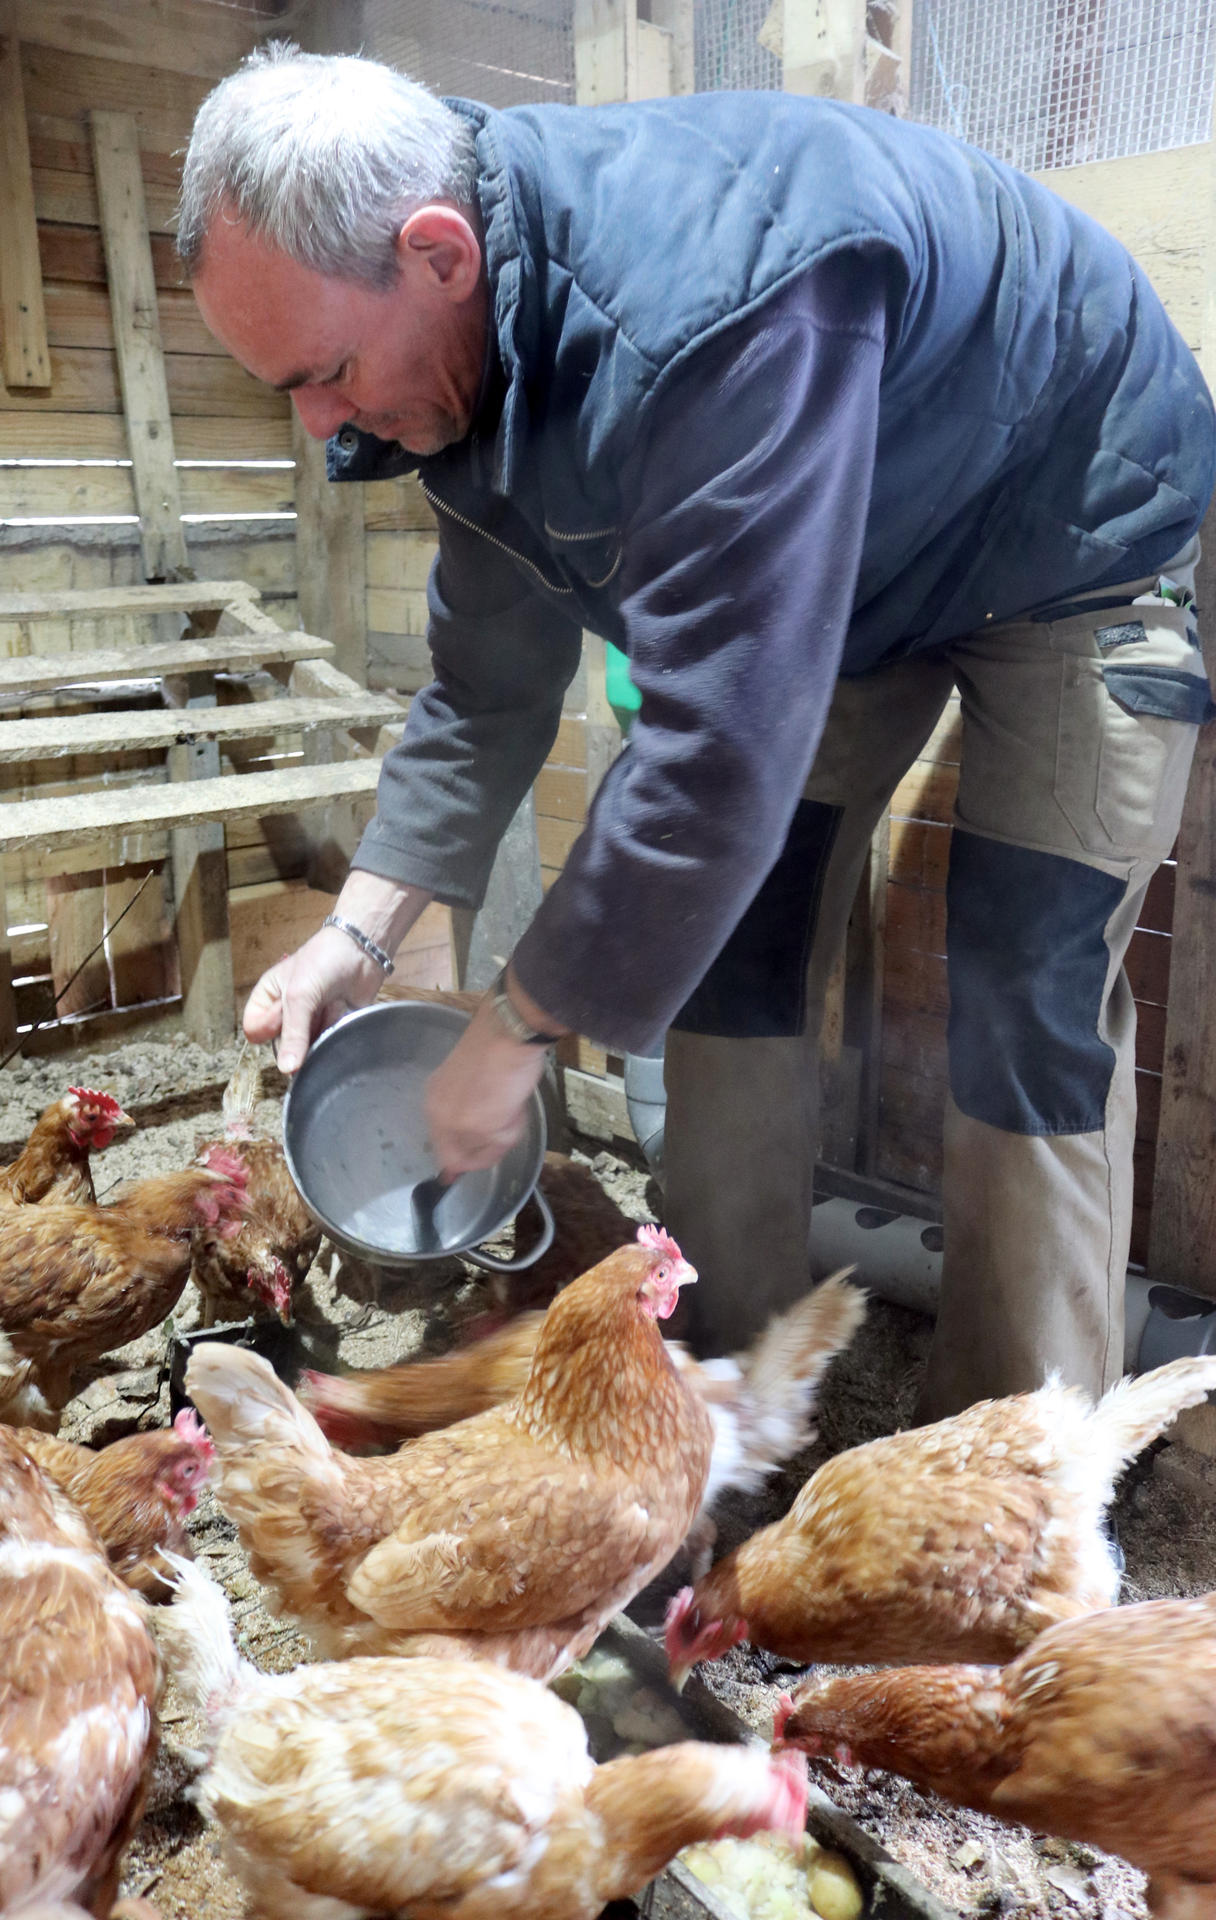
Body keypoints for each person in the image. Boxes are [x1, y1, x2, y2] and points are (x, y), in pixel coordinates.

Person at [177, 43, 1215, 1416]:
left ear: (437, 253)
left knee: (1024, 989)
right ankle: (722, 1397)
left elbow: (715, 758)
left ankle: (1018, 1471)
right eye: (283, 391)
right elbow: (484, 690)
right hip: (841, 571)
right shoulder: (460, 367)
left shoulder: (709, 311)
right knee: (731, 950)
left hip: (1069, 521)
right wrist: (352, 939)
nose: (319, 424)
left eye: (324, 371)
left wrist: (516, 1029)